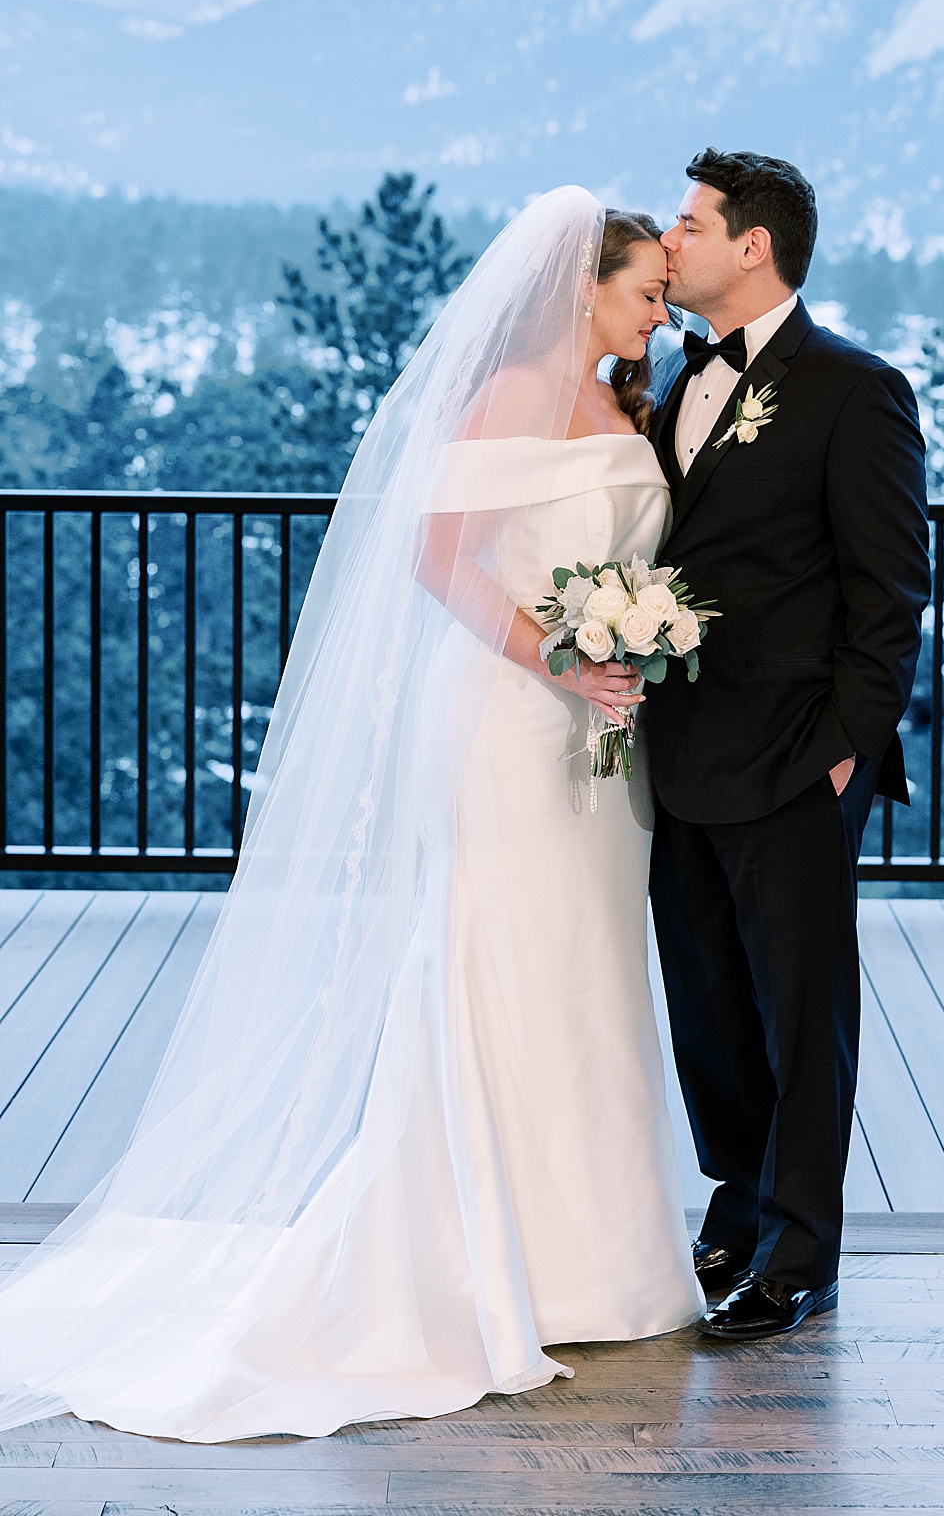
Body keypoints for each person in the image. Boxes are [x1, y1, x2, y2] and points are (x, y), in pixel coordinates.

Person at [0, 189, 703, 1443]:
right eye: (644, 288)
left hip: (602, 731)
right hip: (505, 717)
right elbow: (440, 560)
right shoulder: (508, 400)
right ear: (575, 290)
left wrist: (627, 658)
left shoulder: (620, 402)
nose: (661, 309)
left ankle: (597, 1259)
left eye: (661, 290)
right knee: (500, 961)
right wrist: (566, 659)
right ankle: (495, 1253)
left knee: (588, 970)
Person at [647, 148, 930, 1340]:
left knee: (803, 1011)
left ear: (749, 247)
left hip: (797, 762)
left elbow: (890, 590)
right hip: (678, 753)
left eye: (689, 223)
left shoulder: (854, 390)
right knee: (707, 999)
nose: (671, 242)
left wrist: (844, 754)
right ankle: (740, 1195)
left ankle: (802, 1248)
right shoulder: (671, 380)